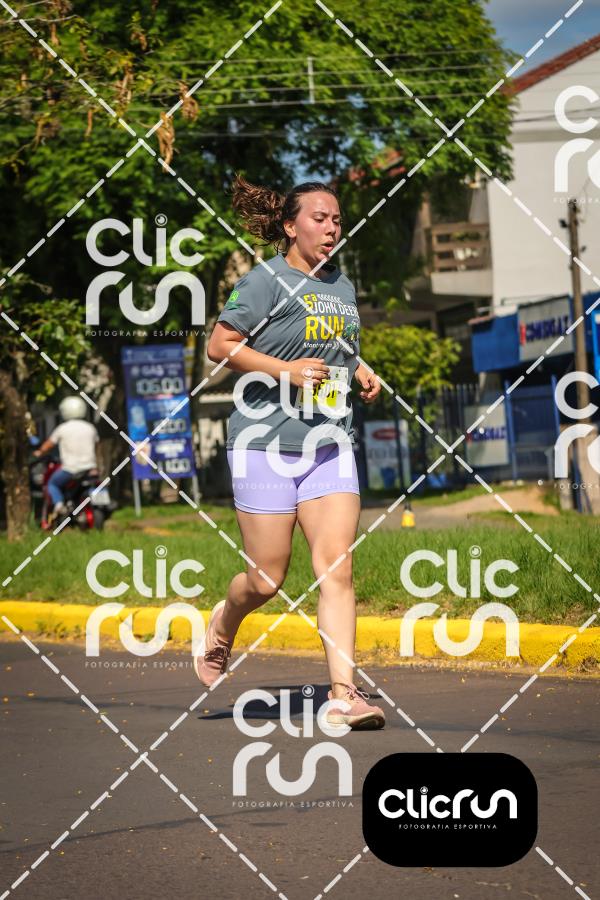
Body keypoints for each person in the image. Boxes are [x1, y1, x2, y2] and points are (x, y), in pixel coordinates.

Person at [196, 174, 385, 730]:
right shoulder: (265, 281)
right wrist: (286, 371)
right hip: (264, 443)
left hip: (329, 441)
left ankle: (343, 696)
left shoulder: (342, 285)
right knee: (266, 579)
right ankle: (224, 622)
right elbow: (219, 345)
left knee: (337, 569)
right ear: (289, 226)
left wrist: (361, 368)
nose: (331, 228)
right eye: (319, 219)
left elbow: (335, 346)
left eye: (337, 220)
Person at [34, 396, 99, 516]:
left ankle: (59, 505)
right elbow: (96, 445)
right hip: (90, 469)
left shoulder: (62, 429)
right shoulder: (90, 428)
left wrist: (39, 452)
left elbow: (48, 445)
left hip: (71, 469)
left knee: (52, 484)